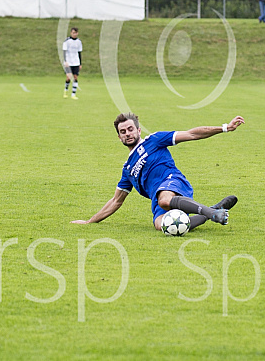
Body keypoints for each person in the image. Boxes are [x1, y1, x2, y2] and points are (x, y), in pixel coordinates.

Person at [71, 113, 245, 232]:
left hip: (172, 181)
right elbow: (116, 201)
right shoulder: (127, 170)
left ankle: (211, 213)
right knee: (163, 225)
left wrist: (224, 128)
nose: (127, 134)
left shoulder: (154, 140)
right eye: (122, 132)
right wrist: (89, 221)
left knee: (164, 200)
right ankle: (213, 210)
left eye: (130, 129)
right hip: (158, 197)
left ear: (138, 130)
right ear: (119, 137)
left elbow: (191, 134)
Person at [62, 27, 82, 100]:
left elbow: (79, 52)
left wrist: (80, 63)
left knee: (75, 77)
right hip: (69, 62)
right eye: (73, 33)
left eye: (76, 33)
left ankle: (73, 94)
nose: (74, 34)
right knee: (69, 77)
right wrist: (65, 61)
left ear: (77, 33)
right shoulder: (67, 41)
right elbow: (64, 51)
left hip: (76, 62)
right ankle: (66, 91)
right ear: (71, 33)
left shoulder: (79, 41)